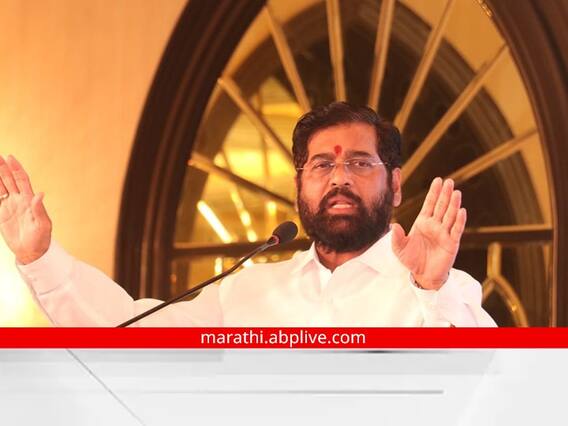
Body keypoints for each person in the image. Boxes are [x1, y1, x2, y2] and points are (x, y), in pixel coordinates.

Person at [0, 102, 495, 327]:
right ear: (299, 187)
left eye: (361, 163)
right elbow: (129, 329)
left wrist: (431, 289)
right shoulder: (247, 290)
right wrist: (41, 258)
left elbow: (481, 389)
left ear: (396, 185)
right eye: (322, 165)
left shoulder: (444, 292)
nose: (339, 178)